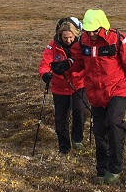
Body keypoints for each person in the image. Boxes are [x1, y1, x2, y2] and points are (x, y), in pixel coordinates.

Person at [78, 9, 126, 184]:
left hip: (118, 89)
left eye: (94, 30)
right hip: (96, 94)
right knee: (99, 131)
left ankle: (115, 168)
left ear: (103, 26)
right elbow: (78, 62)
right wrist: (63, 66)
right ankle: (102, 170)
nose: (92, 34)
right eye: (88, 30)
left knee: (114, 123)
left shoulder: (117, 40)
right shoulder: (83, 41)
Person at [37, 17, 89, 154]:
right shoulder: (52, 46)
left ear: (75, 35)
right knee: (61, 119)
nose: (68, 40)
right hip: (59, 87)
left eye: (70, 37)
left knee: (80, 111)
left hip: (79, 84)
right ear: (60, 36)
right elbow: (45, 64)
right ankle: (64, 147)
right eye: (65, 38)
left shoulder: (82, 45)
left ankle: (77, 139)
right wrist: (45, 75)